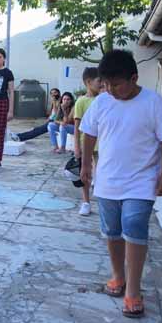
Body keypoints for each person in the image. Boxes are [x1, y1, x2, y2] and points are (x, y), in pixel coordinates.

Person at [80, 50, 162, 319]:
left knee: (134, 226)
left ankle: (133, 290)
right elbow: (89, 133)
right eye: (106, 84)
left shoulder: (153, 103)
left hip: (142, 181)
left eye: (116, 84)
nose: (110, 90)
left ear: (134, 78)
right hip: (108, 180)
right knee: (112, 231)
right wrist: (85, 164)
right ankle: (118, 276)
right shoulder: (102, 102)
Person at [73, 67, 101, 216]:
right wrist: (76, 146)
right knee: (85, 173)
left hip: (102, 144)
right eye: (99, 80)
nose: (101, 83)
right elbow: (77, 127)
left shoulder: (104, 99)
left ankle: (102, 202)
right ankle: (86, 202)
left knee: (101, 173)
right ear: (89, 82)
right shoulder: (81, 101)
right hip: (86, 143)